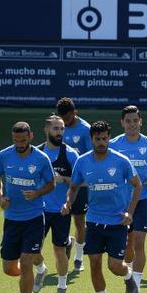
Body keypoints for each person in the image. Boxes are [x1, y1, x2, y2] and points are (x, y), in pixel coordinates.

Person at [67, 120, 142, 293]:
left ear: (109, 138)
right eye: (97, 139)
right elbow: (74, 186)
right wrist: (68, 203)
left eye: (104, 138)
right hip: (94, 221)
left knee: (115, 266)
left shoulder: (121, 161)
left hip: (117, 222)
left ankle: (128, 277)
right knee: (94, 263)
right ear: (91, 139)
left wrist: (130, 213)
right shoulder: (82, 162)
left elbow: (138, 185)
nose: (101, 142)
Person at [0, 122, 55, 293]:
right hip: (12, 219)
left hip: (34, 218)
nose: (19, 144)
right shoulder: (4, 155)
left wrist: (37, 193)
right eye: (16, 140)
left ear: (31, 137)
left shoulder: (41, 158)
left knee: (25, 262)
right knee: (10, 269)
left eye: (23, 140)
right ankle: (41, 268)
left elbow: (51, 183)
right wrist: (1, 197)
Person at [110, 105, 147, 293]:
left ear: (140, 121)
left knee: (139, 242)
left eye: (135, 121)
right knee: (127, 246)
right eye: (128, 121)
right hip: (121, 201)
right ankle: (129, 278)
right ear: (122, 123)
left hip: (143, 199)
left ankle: (136, 287)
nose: (132, 125)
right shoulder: (113, 144)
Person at [32, 115, 80, 293]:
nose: (59, 132)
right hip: (39, 210)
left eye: (61, 129)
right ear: (46, 130)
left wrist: (64, 180)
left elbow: (81, 182)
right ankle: (42, 270)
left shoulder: (70, 155)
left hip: (61, 210)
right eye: (55, 129)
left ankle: (61, 286)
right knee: (32, 250)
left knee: (59, 250)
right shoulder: (36, 154)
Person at [56, 97, 92, 272]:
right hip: (60, 183)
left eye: (68, 118)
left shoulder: (85, 130)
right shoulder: (58, 128)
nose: (65, 122)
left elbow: (90, 156)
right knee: (60, 219)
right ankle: (67, 242)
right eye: (62, 118)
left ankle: (79, 256)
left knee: (79, 220)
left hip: (79, 183)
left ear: (74, 113)